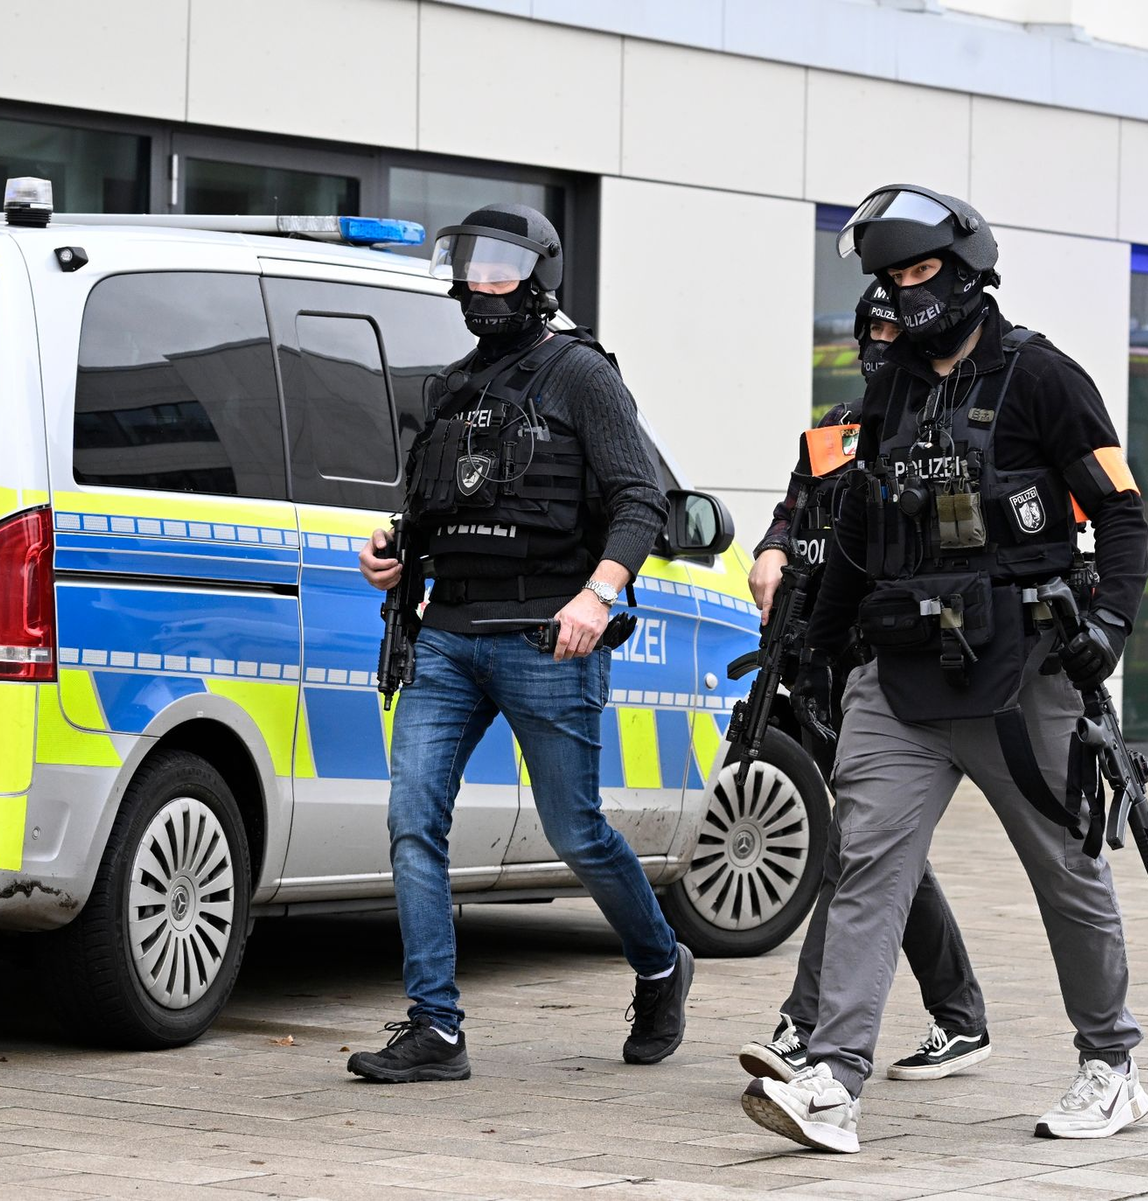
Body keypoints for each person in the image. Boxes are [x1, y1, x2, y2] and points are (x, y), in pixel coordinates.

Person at [741, 184, 1148, 1153]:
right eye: (893, 277)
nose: (907, 293)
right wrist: (821, 644)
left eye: (922, 271)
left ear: (968, 273)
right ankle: (833, 1081)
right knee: (869, 863)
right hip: (901, 678)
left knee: (1067, 874)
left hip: (1023, 677)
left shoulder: (1043, 377)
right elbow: (856, 530)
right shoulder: (888, 391)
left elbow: (1124, 511)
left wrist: (1112, 624)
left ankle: (1111, 1062)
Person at [346, 204, 693, 1084]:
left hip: (550, 636)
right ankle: (436, 1028)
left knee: (576, 830)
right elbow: (435, 506)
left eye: (499, 270)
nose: (479, 284)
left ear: (539, 275)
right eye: (468, 269)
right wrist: (394, 556)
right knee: (411, 822)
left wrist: (597, 592)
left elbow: (641, 500)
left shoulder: (582, 375)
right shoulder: (450, 386)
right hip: (448, 636)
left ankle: (660, 964)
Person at [739, 282, 991, 1087]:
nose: (883, 338)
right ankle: (960, 1015)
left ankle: (803, 1022)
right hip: (817, 657)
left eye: (895, 324)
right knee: (881, 849)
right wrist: (773, 548)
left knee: (857, 847)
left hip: (887, 664)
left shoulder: (934, 427)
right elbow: (796, 506)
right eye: (873, 326)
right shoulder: (834, 429)